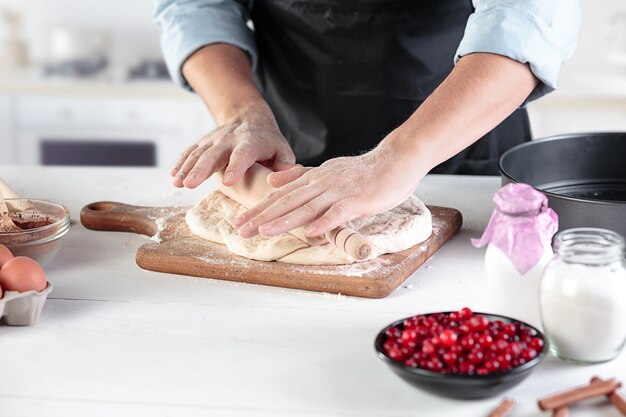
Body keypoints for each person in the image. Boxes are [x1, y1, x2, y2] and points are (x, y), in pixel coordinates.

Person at [154, 0, 579, 240]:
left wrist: (399, 157)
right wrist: (240, 111)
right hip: (286, 139)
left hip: (459, 136)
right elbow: (195, 6)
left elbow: (525, 23)